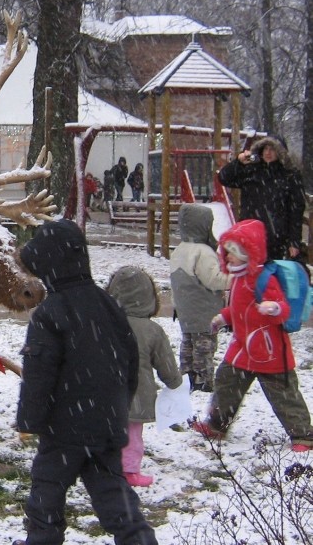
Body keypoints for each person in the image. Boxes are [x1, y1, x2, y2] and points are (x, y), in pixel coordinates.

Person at [12, 219, 157, 545]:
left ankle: (42, 540)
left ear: (49, 265)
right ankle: (137, 538)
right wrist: (118, 404)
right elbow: (129, 361)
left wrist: (29, 419)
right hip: (105, 424)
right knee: (112, 489)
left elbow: (39, 373)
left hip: (64, 428)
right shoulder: (108, 305)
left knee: (47, 487)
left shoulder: (51, 312)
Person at [191, 219, 313, 452]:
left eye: (232, 254)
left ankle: (303, 434)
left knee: (284, 393)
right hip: (242, 347)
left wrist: (273, 308)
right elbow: (239, 309)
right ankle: (217, 424)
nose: (227, 258)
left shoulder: (263, 278)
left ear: (248, 253)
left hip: (270, 350)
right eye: (226, 253)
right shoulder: (238, 278)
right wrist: (224, 318)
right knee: (227, 382)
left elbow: (283, 308)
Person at [107, 266, 183, 488]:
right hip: (137, 393)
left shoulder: (104, 323)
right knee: (132, 435)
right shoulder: (152, 330)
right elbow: (165, 363)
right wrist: (175, 383)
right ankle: (129, 470)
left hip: (105, 391)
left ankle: (103, 466)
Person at [169, 204, 230, 392]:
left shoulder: (179, 250)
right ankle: (204, 381)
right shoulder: (203, 252)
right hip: (204, 311)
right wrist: (234, 279)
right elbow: (213, 280)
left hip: (185, 310)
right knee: (204, 347)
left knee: (187, 344)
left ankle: (186, 377)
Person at [217, 134, 306, 261]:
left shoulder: (290, 176)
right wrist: (238, 163)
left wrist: (294, 241)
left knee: (271, 276)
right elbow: (223, 178)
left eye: (273, 149)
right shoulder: (251, 170)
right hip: (250, 235)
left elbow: (296, 210)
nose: (268, 152)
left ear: (280, 152)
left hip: (277, 238)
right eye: (265, 148)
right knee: (249, 273)